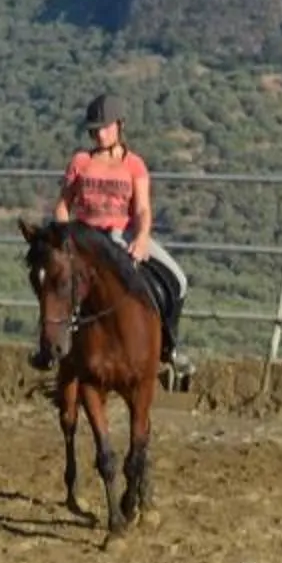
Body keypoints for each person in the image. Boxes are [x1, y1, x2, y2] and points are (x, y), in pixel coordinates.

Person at [53, 93, 188, 369]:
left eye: (105, 127)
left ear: (119, 126)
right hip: (85, 237)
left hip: (121, 235)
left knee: (178, 280)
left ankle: (169, 345)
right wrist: (64, 237)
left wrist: (140, 238)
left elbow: (142, 209)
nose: (99, 134)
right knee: (53, 283)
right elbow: (63, 205)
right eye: (95, 129)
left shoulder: (134, 165)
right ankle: (48, 346)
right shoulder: (80, 162)